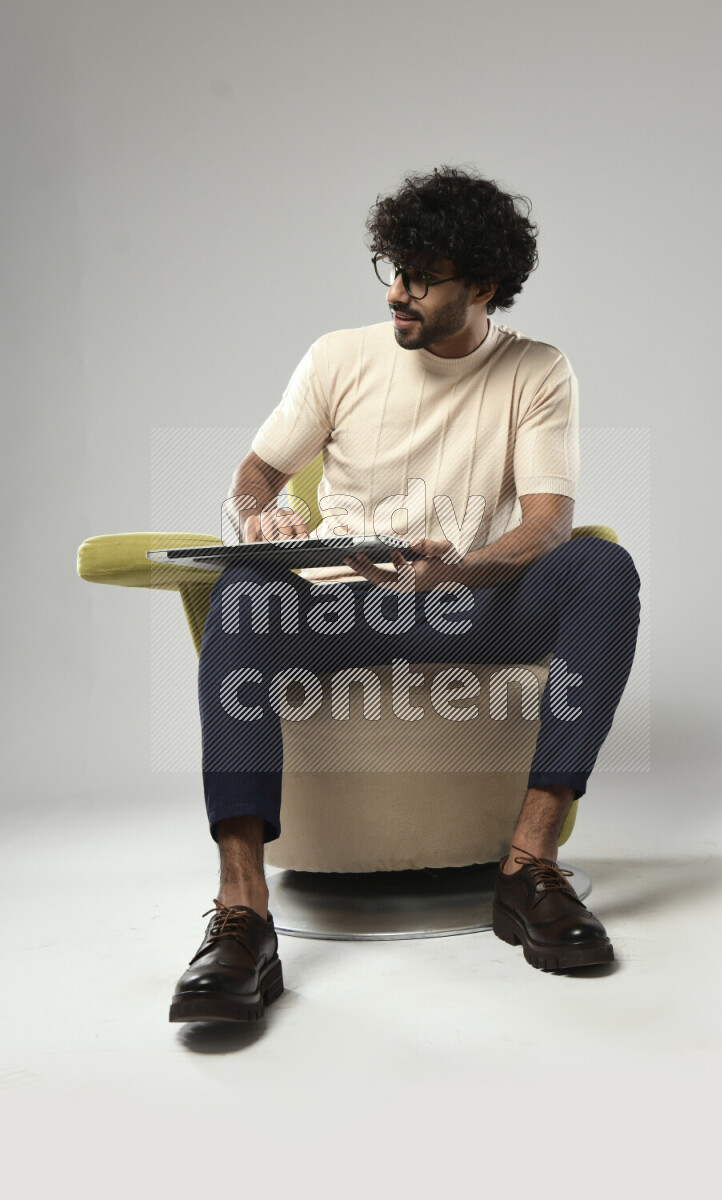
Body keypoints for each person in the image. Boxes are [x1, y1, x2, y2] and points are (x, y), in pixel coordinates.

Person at [168, 165, 641, 1024]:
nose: (399, 292)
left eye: (423, 278)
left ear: (484, 286)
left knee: (603, 571)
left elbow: (544, 528)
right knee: (243, 590)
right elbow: (253, 476)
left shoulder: (537, 370)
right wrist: (260, 513)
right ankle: (243, 913)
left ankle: (528, 864)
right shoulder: (339, 356)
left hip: (469, 600)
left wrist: (451, 572)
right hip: (344, 601)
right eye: (393, 268)